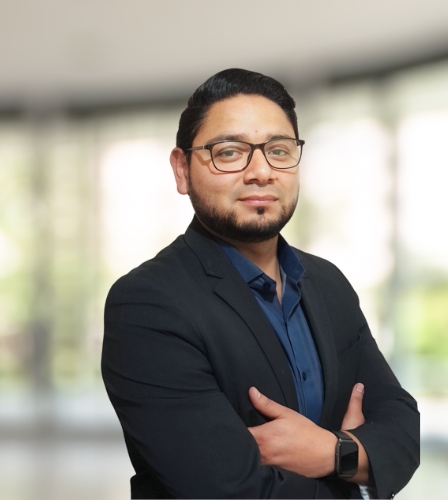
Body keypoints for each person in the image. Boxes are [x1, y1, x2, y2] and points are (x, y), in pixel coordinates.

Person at [101, 68, 419, 499]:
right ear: (182, 170)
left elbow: (403, 429)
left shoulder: (328, 282)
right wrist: (359, 462)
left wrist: (332, 452)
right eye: (229, 152)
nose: (261, 172)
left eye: (279, 150)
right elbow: (228, 489)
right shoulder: (147, 303)